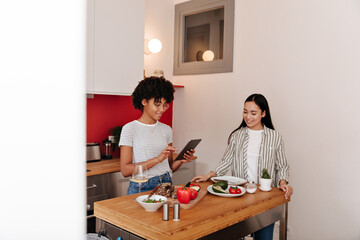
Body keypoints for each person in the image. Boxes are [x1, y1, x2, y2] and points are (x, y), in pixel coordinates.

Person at [191, 93, 293, 240]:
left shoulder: (274, 136)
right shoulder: (237, 136)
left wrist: (283, 183)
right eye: (245, 112)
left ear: (263, 113)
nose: (248, 117)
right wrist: (208, 175)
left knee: (264, 237)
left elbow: (282, 165)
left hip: (265, 198)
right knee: (236, 234)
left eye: (253, 113)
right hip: (239, 196)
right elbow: (226, 161)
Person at [119, 76, 194, 195]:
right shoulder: (130, 129)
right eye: (157, 104)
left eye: (165, 105)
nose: (162, 109)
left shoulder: (166, 129)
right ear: (144, 101)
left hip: (167, 184)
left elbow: (169, 167)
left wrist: (181, 160)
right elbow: (125, 170)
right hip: (142, 186)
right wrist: (157, 159)